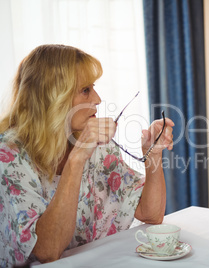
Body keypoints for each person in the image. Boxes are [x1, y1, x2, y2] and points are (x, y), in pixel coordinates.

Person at [0, 44, 174, 267]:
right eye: (85, 90)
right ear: (53, 97)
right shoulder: (9, 155)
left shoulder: (98, 145)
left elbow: (151, 214)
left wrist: (153, 154)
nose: (98, 99)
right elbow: (47, 251)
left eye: (94, 87)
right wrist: (77, 158)